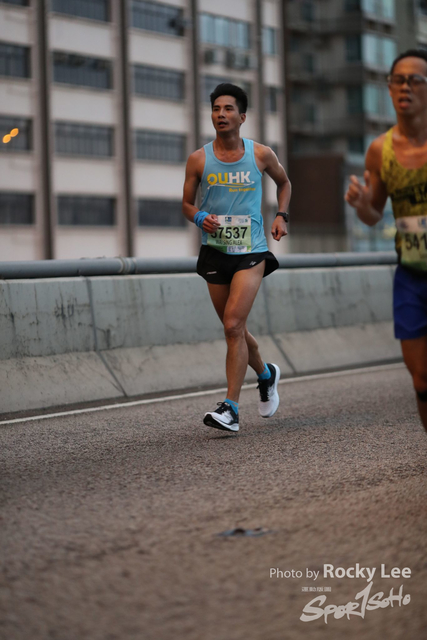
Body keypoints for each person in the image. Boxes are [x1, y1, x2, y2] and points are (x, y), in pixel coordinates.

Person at [182, 83, 291, 433]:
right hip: (215, 252)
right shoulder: (199, 159)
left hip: (251, 251)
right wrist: (200, 217)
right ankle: (266, 374)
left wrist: (281, 215)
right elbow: (186, 204)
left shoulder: (260, 154)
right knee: (236, 329)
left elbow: (284, 183)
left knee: (232, 325)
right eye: (216, 109)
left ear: (242, 117)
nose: (221, 114)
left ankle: (230, 408)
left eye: (228, 109)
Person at [345, 49, 427, 434]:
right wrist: (362, 204)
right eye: (398, 80)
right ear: (389, 89)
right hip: (411, 275)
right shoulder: (380, 150)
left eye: (415, 80)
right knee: (421, 378)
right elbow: (374, 214)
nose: (405, 87)